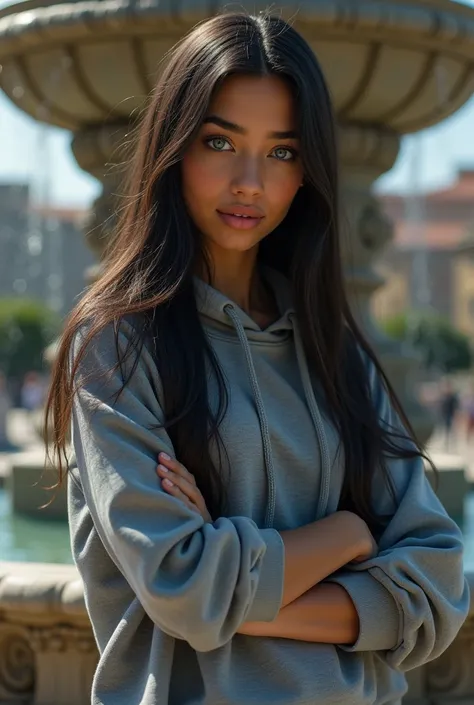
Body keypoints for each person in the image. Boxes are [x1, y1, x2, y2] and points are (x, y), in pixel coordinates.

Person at [45, 12, 468, 705]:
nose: (250, 182)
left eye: (281, 151)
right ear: (175, 149)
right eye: (220, 142)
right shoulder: (118, 344)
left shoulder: (335, 349)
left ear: (308, 172)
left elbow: (439, 579)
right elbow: (182, 587)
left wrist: (230, 585)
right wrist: (349, 532)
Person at [439, 378, 460, 451]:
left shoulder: (453, 397)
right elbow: (442, 407)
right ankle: (446, 445)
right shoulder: (444, 396)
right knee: (445, 431)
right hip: (445, 416)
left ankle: (453, 445)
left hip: (451, 416)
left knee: (452, 431)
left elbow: (456, 407)